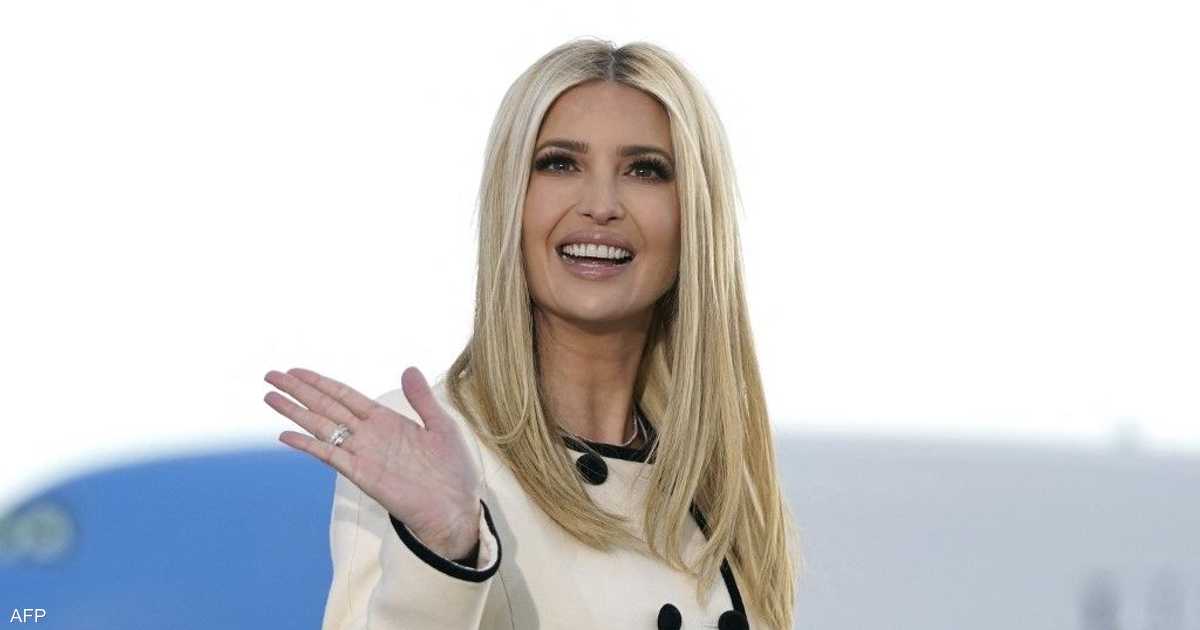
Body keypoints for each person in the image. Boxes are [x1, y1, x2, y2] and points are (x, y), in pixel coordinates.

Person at [264, 36, 803, 630]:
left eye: (645, 170)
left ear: (694, 216)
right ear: (512, 202)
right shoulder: (427, 447)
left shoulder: (719, 475)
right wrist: (444, 552)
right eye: (559, 164)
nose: (601, 204)